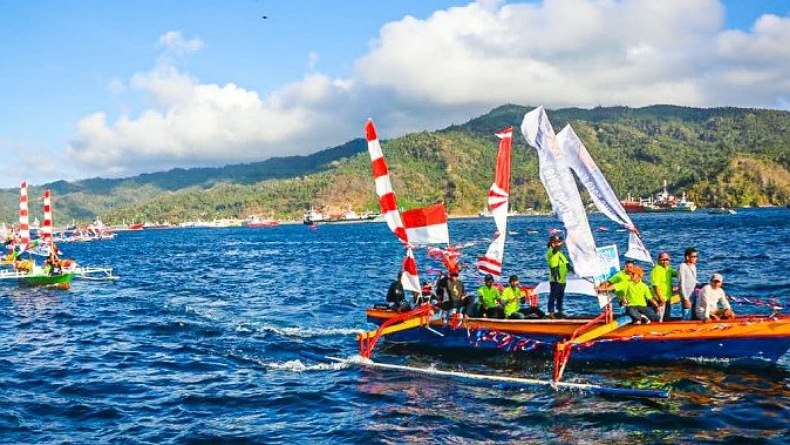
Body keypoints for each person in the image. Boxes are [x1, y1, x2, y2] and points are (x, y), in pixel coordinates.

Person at [546, 235, 570, 319]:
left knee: (560, 296)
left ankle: (560, 311)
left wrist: (573, 270)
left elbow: (566, 263)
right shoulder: (551, 252)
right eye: (556, 242)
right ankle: (551, 312)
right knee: (553, 296)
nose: (558, 244)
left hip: (562, 279)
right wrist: (562, 242)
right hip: (555, 278)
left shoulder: (560, 254)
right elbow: (556, 249)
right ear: (552, 244)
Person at [650, 252, 678, 321]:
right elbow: (655, 286)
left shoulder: (668, 269)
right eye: (663, 259)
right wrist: (660, 298)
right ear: (659, 260)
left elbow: (677, 273)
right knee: (659, 318)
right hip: (660, 299)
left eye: (667, 259)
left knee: (666, 317)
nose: (665, 261)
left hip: (667, 297)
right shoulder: (656, 270)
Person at [678, 247, 699, 320]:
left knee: (695, 314)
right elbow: (682, 284)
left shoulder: (693, 266)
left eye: (696, 256)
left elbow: (694, 280)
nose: (695, 258)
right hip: (686, 295)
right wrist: (686, 299)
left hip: (693, 294)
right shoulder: (682, 266)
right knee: (686, 315)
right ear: (687, 257)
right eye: (694, 256)